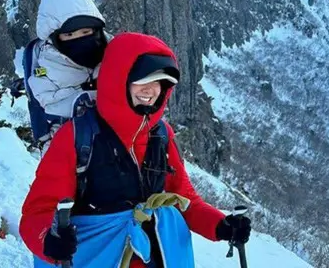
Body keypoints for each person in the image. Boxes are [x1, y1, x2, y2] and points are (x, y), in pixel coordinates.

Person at [20, 32, 251, 268]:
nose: (151, 90)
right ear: (119, 78)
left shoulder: (161, 135)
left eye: (160, 82)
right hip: (101, 258)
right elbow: (37, 212)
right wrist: (49, 240)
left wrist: (221, 225)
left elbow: (186, 201)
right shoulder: (78, 136)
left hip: (161, 256)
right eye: (143, 79)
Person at [27, 0, 108, 149]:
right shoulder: (48, 65)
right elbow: (48, 102)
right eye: (69, 35)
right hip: (69, 147)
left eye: (86, 32)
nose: (79, 40)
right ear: (55, 38)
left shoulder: (114, 50)